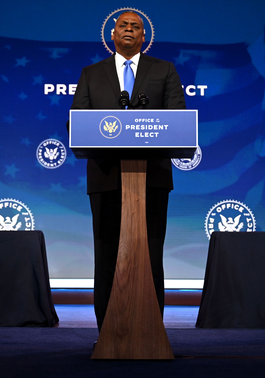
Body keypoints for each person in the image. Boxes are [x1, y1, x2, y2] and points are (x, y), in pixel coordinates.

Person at [69, 11, 186, 330]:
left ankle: (150, 330)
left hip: (153, 178)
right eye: (124, 25)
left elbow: (178, 118)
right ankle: (107, 331)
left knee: (150, 254)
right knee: (106, 256)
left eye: (137, 26)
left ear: (145, 37)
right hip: (106, 177)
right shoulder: (92, 73)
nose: (130, 30)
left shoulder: (164, 70)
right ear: (112, 34)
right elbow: (77, 121)